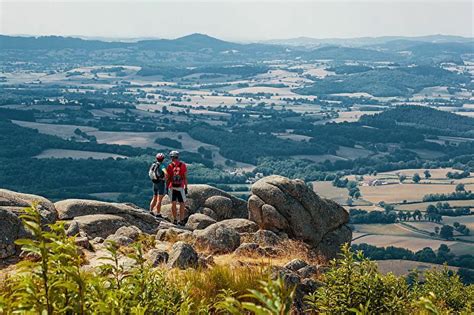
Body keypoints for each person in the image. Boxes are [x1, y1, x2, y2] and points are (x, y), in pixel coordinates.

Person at [166, 150, 188, 225]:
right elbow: (185, 177)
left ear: (171, 157)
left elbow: (168, 178)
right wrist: (186, 187)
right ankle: (181, 220)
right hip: (180, 187)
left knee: (173, 204)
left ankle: (175, 219)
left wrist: (167, 187)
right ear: (177, 157)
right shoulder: (183, 165)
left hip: (172, 187)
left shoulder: (170, 166)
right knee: (182, 203)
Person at [148, 153, 167, 218]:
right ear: (163, 159)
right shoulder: (162, 165)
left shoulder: (154, 164)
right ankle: (158, 213)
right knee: (159, 199)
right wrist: (165, 178)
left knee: (154, 197)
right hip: (160, 183)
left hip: (154, 182)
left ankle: (150, 211)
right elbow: (166, 173)